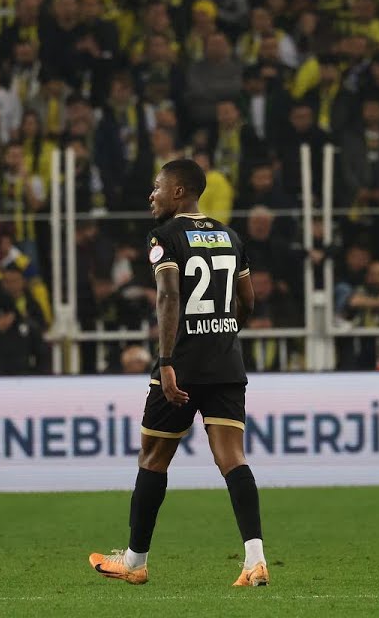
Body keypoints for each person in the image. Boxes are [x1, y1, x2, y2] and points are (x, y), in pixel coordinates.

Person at [89, 159, 268, 588]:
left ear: (178, 191)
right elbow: (248, 302)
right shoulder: (230, 236)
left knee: (153, 458)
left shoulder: (165, 236)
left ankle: (135, 562)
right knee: (233, 458)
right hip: (226, 362)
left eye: (157, 187)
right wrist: (222, 334)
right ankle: (255, 560)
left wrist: (167, 361)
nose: (151, 195)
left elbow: (168, 296)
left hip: (182, 364)